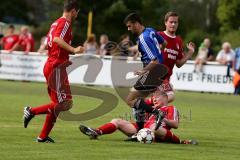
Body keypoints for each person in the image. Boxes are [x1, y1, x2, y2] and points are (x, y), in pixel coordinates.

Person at [23, 0, 84, 143]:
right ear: (74, 11)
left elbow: (50, 41)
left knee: (59, 104)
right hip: (55, 66)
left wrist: (48, 49)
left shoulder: (55, 23)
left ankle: (42, 136)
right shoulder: (65, 23)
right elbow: (56, 39)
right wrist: (73, 49)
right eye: (77, 13)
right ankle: (31, 111)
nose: (77, 15)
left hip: (55, 65)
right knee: (65, 104)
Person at [79, 91, 197, 145]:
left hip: (157, 131)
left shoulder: (170, 108)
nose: (154, 100)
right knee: (117, 121)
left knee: (154, 126)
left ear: (165, 99)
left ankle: (181, 142)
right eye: (153, 98)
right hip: (141, 129)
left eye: (157, 98)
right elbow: (137, 103)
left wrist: (163, 119)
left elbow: (175, 125)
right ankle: (97, 132)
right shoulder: (152, 107)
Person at [124, 12, 168, 131]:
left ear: (136, 24)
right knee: (138, 102)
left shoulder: (144, 38)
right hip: (159, 72)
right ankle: (139, 132)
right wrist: (159, 54)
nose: (129, 29)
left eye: (129, 26)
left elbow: (154, 61)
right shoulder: (150, 30)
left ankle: (157, 113)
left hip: (152, 72)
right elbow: (164, 43)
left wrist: (143, 71)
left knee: (130, 100)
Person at [152, 11, 195, 102]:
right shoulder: (159, 35)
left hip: (166, 77)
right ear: (165, 23)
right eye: (171, 22)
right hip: (156, 75)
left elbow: (179, 63)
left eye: (175, 22)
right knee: (170, 96)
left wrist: (190, 53)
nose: (173, 24)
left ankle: (142, 107)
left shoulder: (178, 41)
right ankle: (142, 106)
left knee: (161, 100)